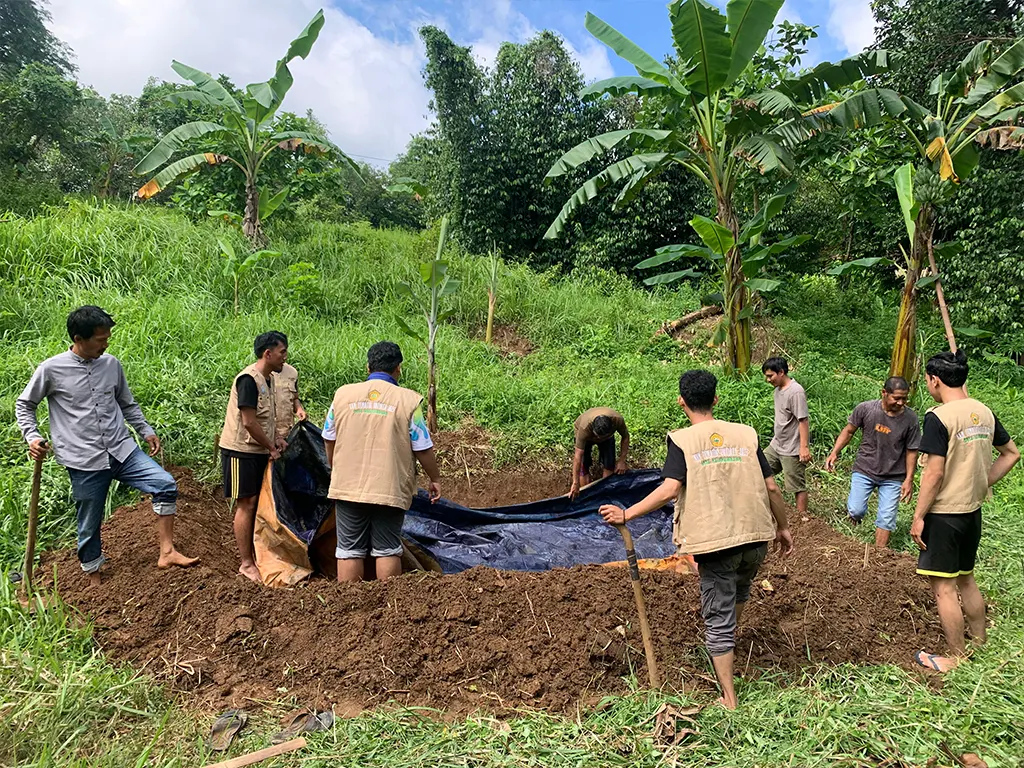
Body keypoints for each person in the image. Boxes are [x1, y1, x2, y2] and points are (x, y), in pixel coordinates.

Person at [599, 370, 793, 709]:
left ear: (681, 401)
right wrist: (784, 526)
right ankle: (729, 644)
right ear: (716, 399)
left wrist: (627, 514)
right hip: (755, 538)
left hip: (717, 544)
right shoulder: (745, 434)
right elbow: (772, 486)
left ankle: (729, 698)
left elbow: (670, 489)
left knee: (717, 619)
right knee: (741, 590)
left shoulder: (682, 440)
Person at [15, 306, 198, 585]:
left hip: (121, 449)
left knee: (165, 485)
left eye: (107, 338)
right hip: (83, 458)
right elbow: (25, 404)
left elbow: (126, 403)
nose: (106, 343)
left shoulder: (111, 364)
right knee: (89, 521)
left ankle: (167, 552)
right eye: (100, 340)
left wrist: (145, 430)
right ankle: (94, 575)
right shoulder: (51, 369)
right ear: (79, 338)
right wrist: (32, 436)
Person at [911, 351, 1018, 673]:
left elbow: (934, 473)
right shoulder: (983, 411)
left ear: (935, 380)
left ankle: (956, 658)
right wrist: (980, 482)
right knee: (967, 579)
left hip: (944, 514)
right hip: (972, 511)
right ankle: (980, 641)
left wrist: (918, 516)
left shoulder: (939, 417)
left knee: (944, 588)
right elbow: (1011, 454)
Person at [322, 341, 442, 583]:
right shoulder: (409, 401)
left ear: (368, 366)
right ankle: (390, 608)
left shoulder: (342, 395)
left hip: (348, 486)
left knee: (348, 549)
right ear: (398, 368)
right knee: (387, 547)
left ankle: (348, 607)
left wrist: (337, 468)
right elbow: (423, 448)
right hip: (389, 487)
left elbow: (328, 437)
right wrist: (435, 478)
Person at [219, 330, 289, 583]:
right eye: (282, 352)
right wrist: (271, 446)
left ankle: (257, 555)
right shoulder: (248, 380)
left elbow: (264, 418)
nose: (285, 358)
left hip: (257, 450)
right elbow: (248, 422)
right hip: (241, 453)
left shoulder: (267, 379)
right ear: (267, 353)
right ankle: (246, 564)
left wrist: (276, 439)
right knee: (246, 504)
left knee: (256, 504)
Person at [825, 377, 921, 548]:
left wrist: (909, 479)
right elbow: (848, 431)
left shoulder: (910, 419)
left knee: (886, 517)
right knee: (856, 510)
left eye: (904, 398)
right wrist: (834, 452)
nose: (901, 402)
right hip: (865, 468)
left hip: (893, 475)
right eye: (896, 398)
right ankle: (853, 532)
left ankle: (879, 553)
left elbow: (911, 450)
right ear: (884, 393)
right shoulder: (866, 409)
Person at [762, 357, 810, 515]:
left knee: (796, 486)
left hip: (792, 448)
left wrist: (803, 448)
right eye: (766, 376)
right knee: (758, 469)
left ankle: (802, 519)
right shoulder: (778, 390)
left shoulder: (796, 392)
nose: (767, 379)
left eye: (770, 376)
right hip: (777, 445)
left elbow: (802, 421)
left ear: (781, 372)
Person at [570, 407, 630, 499]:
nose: (599, 440)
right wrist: (575, 482)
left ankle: (604, 497)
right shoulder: (584, 428)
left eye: (602, 437)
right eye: (597, 437)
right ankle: (587, 498)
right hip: (587, 438)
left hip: (608, 439)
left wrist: (622, 460)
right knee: (584, 465)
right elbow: (578, 456)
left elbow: (625, 437)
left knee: (609, 465)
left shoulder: (617, 420)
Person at [273, 361, 307, 440]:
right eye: (281, 352)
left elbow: (295, 397)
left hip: (288, 433)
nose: (284, 356)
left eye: (285, 351)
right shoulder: (259, 375)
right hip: (267, 435)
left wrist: (299, 409)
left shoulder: (292, 372)